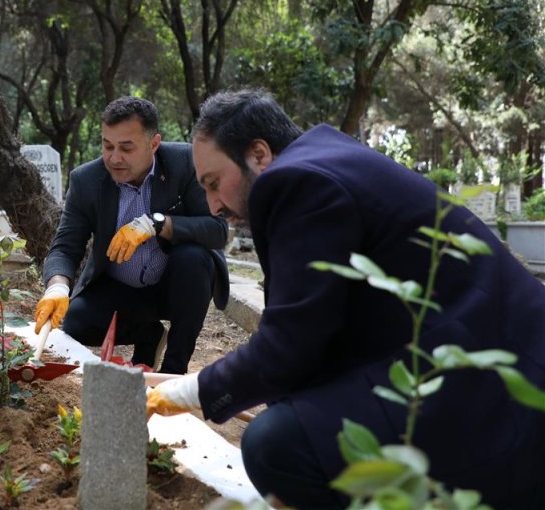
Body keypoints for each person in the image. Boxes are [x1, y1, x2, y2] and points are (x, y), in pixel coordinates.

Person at [146, 88, 545, 508]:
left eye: (213, 184)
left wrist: (185, 393)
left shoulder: (297, 182)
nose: (212, 206)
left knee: (278, 445)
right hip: (485, 353)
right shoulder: (322, 161)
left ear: (259, 154)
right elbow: (311, 337)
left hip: (494, 384)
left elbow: (286, 349)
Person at [34, 96, 229, 375]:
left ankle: (173, 370)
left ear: (154, 144)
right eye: (107, 146)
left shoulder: (186, 163)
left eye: (126, 148)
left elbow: (218, 231)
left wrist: (156, 223)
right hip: (120, 290)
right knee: (76, 321)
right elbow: (65, 247)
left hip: (175, 286)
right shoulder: (86, 180)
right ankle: (148, 334)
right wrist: (57, 287)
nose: (114, 158)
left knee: (195, 258)